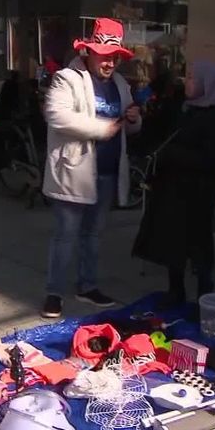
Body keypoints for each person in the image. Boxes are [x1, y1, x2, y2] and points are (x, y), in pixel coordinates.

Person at [41, 18, 141, 318]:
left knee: (94, 235)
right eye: (104, 55)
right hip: (74, 174)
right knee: (66, 236)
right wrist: (101, 128)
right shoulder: (67, 79)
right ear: (89, 53)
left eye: (114, 57)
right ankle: (54, 293)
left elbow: (126, 129)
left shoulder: (121, 85)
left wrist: (134, 120)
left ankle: (87, 286)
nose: (109, 62)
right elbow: (56, 116)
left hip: (107, 172)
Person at [133, 60, 215, 307]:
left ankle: (204, 295)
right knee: (172, 243)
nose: (186, 83)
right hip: (172, 191)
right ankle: (175, 290)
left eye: (192, 78)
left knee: (199, 245)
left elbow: (214, 158)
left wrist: (174, 154)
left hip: (197, 195)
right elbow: (159, 132)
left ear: (207, 85)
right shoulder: (183, 109)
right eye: (187, 77)